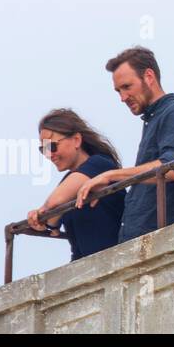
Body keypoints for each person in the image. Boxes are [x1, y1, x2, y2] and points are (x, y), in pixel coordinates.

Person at [76, 47, 174, 242]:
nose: (122, 98)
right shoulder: (155, 119)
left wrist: (110, 176)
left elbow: (171, 168)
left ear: (149, 76)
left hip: (170, 242)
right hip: (145, 244)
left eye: (127, 87)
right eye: (118, 91)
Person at [28, 109, 125, 261]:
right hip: (86, 265)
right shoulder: (70, 180)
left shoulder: (99, 164)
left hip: (113, 259)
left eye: (52, 146)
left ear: (76, 140)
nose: (49, 154)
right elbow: (52, 223)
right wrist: (41, 219)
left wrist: (42, 212)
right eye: (43, 149)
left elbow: (54, 201)